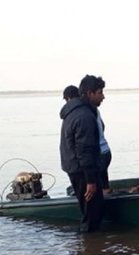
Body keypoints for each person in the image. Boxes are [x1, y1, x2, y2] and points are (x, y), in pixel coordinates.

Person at [59, 75, 106, 232]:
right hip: (82, 172)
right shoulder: (84, 116)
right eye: (100, 92)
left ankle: (91, 252)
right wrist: (91, 181)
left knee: (89, 212)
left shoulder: (77, 111)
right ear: (89, 93)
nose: (103, 96)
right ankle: (89, 249)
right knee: (92, 215)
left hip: (75, 168)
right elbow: (85, 150)